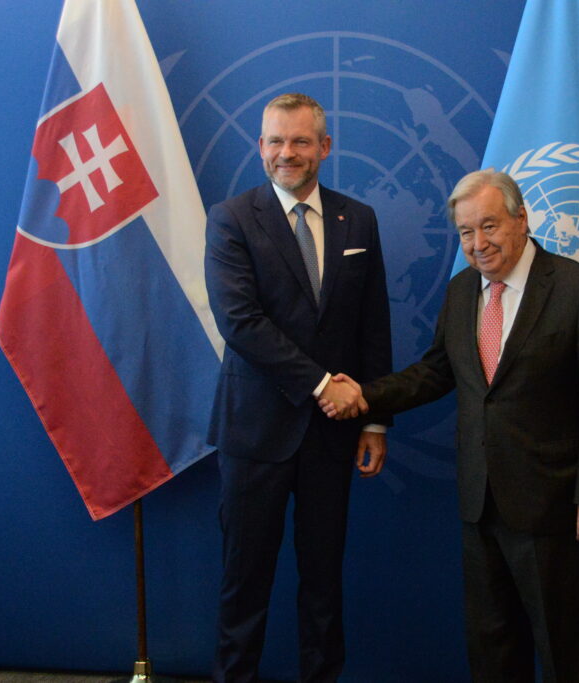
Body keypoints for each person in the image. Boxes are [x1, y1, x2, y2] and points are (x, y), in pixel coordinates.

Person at [322, 170, 579, 682]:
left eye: (490, 225)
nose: (478, 243)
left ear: (522, 219)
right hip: (480, 502)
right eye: (466, 231)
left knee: (563, 648)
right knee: (491, 646)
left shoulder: (577, 289)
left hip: (553, 507)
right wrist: (365, 397)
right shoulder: (463, 290)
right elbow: (438, 370)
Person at [204, 93, 391, 683]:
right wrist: (320, 385)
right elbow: (240, 322)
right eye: (276, 141)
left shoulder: (358, 218)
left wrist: (376, 419)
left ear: (324, 147)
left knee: (323, 582)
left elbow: (372, 323)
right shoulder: (231, 218)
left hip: (332, 436)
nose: (288, 153)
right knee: (244, 582)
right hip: (255, 433)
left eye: (301, 141)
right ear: (261, 147)